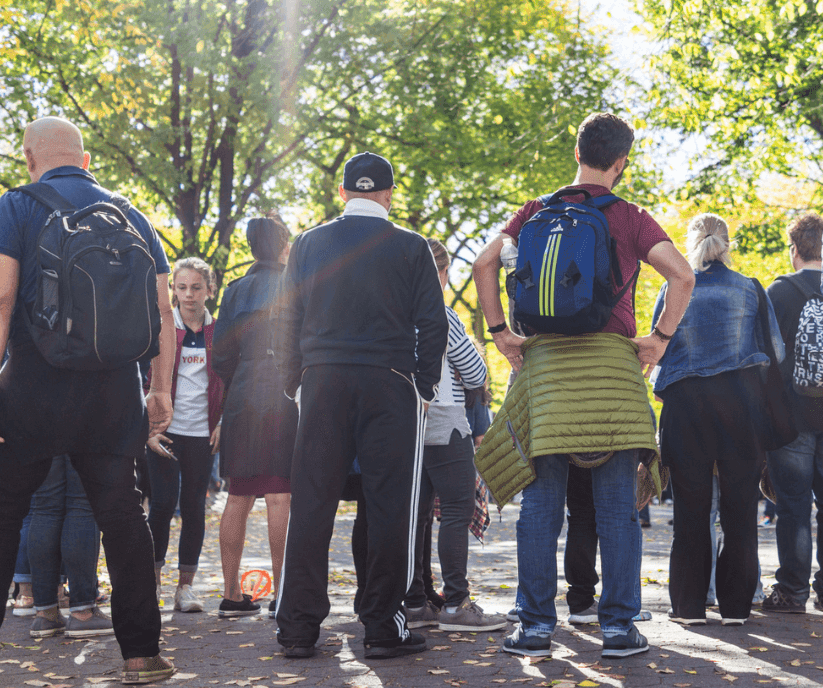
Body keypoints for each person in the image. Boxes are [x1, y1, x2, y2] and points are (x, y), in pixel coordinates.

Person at [473, 112, 695, 659]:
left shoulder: (535, 211)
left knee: (541, 508)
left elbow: (482, 265)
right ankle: (618, 628)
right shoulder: (631, 218)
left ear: (577, 152)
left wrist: (501, 334)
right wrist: (659, 340)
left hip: (547, 374)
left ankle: (534, 627)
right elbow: (683, 275)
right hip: (612, 375)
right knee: (617, 510)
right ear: (621, 162)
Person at [0, 116, 175, 683]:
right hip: (114, 390)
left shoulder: (15, 206)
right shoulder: (131, 215)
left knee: (4, 511)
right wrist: (161, 387)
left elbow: (1, 298)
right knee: (122, 516)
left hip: (33, 384)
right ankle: (142, 656)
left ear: (29, 159)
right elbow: (163, 310)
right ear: (86, 160)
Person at [273, 151, 448, 659]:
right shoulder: (412, 246)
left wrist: (295, 382)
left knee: (311, 504)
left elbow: (285, 319)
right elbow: (433, 323)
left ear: (344, 192)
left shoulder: (308, 243)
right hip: (389, 383)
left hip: (323, 378)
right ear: (389, 194)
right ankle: (382, 626)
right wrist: (424, 388)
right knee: (392, 508)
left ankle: (298, 627)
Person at [651, 213, 783, 626]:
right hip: (740, 408)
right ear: (728, 244)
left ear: (689, 245)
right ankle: (736, 608)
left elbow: (658, 353)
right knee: (740, 512)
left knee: (691, 512)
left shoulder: (673, 289)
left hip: (686, 408)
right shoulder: (750, 288)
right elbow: (775, 352)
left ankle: (689, 607)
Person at [401, 238, 505, 632]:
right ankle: (456, 604)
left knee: (417, 516)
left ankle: (415, 603)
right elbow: (476, 373)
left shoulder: (394, 313)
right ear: (442, 274)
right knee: (458, 509)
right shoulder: (443, 315)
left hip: (406, 422)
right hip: (445, 419)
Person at [761, 212, 823, 616]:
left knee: (793, 506)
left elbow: (765, 358)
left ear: (794, 250)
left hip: (790, 417)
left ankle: (792, 590)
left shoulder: (778, 293)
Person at [212, 216, 299, 619]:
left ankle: (231, 595)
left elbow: (220, 354)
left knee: (239, 494)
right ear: (283, 247)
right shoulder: (296, 284)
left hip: (243, 396)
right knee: (280, 495)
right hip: (284, 396)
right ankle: (283, 594)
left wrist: (239, 381)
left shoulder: (234, 291)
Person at [145, 257, 224, 614]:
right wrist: (148, 429)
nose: (188, 294)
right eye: (181, 287)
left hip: (202, 434)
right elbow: (143, 382)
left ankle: (185, 588)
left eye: (196, 287)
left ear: (210, 290)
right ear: (173, 290)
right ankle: (152, 582)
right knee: (161, 505)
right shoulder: (161, 329)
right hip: (165, 432)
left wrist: (222, 423)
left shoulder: (219, 333)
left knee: (194, 508)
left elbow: (229, 381)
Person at [26, 456, 113, 638]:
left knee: (44, 508)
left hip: (39, 438)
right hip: (83, 438)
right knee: (82, 504)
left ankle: (45, 614)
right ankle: (83, 613)